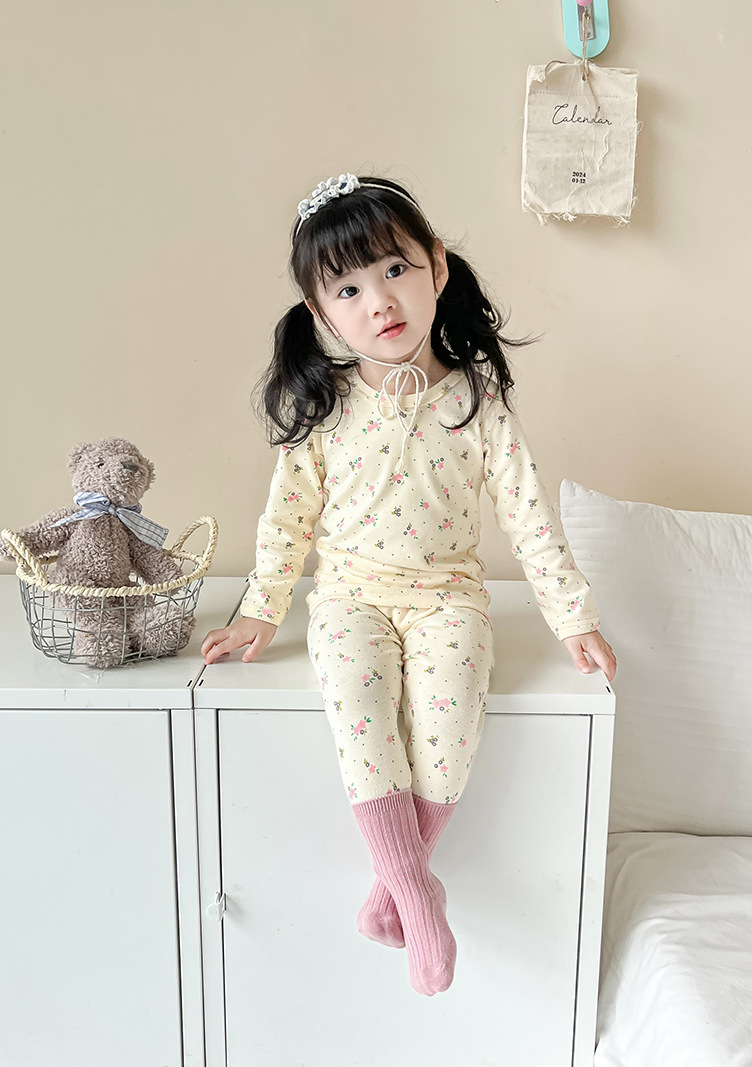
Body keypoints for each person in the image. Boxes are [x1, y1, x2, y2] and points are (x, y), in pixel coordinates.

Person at [201, 173, 616, 997]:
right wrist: (261, 609)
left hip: (449, 598)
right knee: (360, 708)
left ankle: (392, 888)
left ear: (436, 266)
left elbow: (529, 514)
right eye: (349, 289)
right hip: (349, 596)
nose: (380, 300)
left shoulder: (477, 401)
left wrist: (573, 617)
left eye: (394, 269)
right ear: (322, 314)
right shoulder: (326, 407)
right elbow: (287, 521)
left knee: (451, 717)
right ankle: (420, 898)